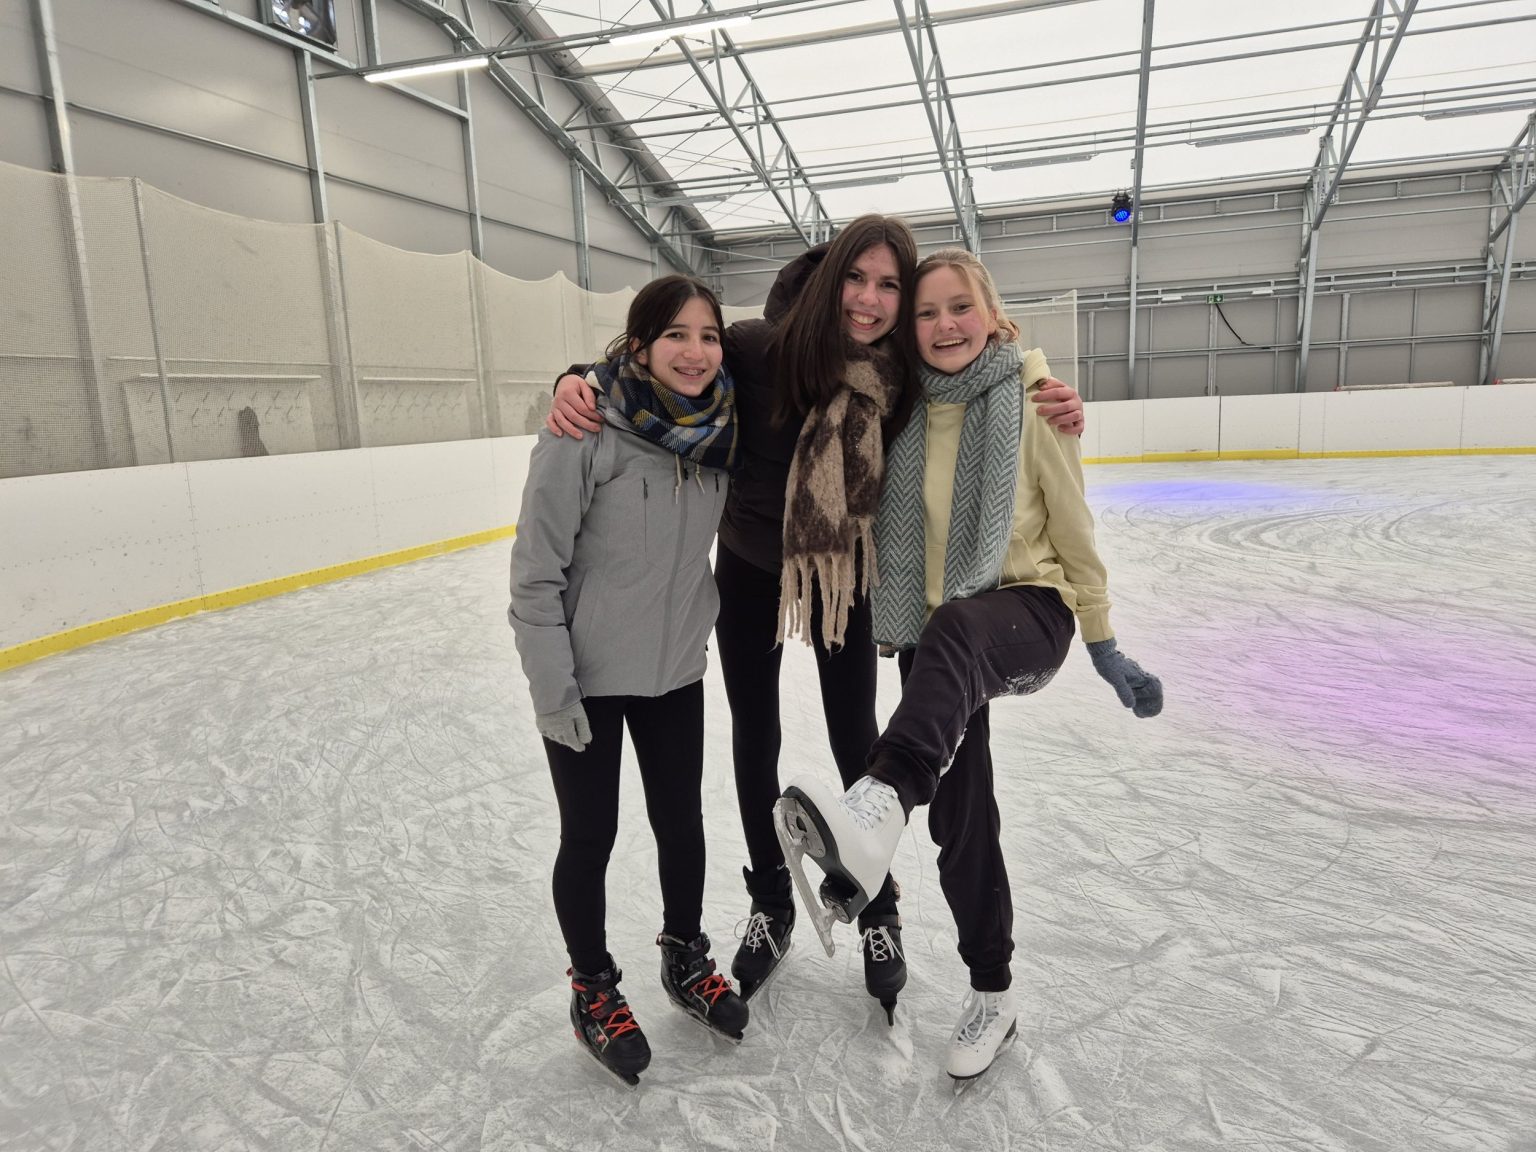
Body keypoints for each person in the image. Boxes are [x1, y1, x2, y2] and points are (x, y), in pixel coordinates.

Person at [547, 218, 1088, 1023]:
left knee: (856, 736)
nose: (869, 300)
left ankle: (876, 908)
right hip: (750, 565)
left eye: (889, 285)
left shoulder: (903, 370)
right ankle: (772, 899)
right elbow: (661, 365)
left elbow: (982, 375)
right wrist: (576, 377)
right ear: (832, 278)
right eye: (856, 279)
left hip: (848, 571)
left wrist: (1052, 394)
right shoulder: (758, 348)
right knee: (755, 735)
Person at [775, 248, 1162, 1083]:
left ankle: (881, 799)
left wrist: (1103, 642)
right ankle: (994, 990)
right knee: (961, 815)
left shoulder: (1032, 402)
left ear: (992, 314)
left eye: (960, 307)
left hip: (1027, 611)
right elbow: (790, 344)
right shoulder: (901, 408)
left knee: (951, 636)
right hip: (937, 632)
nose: (945, 325)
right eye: (926, 312)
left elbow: (1074, 526)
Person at [509, 274, 749, 1088]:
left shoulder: (722, 433)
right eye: (676, 334)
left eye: (709, 335)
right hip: (587, 678)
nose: (696, 351)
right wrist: (553, 691)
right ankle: (593, 987)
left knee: (683, 826)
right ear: (639, 345)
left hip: (676, 670)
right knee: (590, 837)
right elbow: (534, 577)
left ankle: (685, 955)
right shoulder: (584, 429)